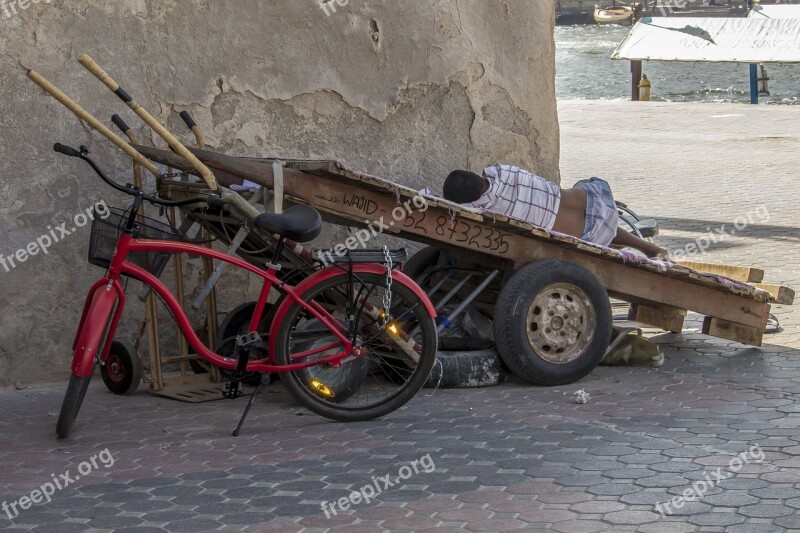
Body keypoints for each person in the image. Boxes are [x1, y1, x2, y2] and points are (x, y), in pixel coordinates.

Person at [442, 164, 667, 258]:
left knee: (588, 228)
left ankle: (639, 247)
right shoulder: (504, 171)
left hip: (589, 235)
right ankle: (647, 247)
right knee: (583, 212)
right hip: (594, 197)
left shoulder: (490, 209)